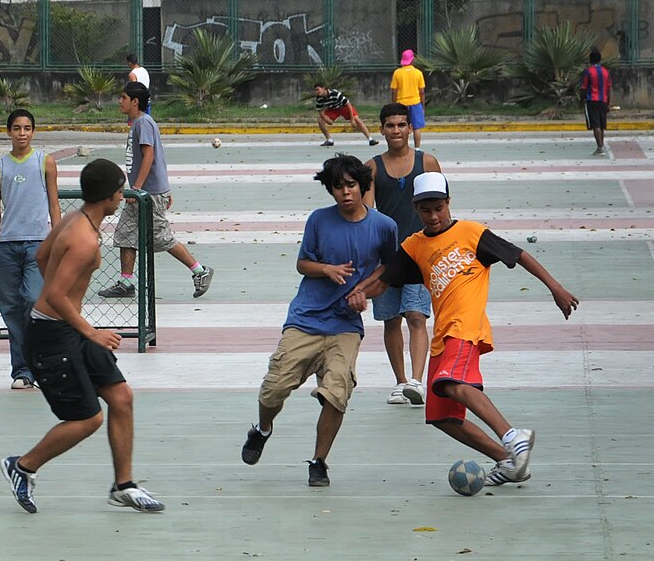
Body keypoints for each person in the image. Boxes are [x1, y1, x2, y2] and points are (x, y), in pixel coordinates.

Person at [350, 172, 579, 486]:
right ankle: (507, 460)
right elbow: (384, 278)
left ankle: (514, 436)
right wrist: (359, 290)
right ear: (416, 209)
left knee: (452, 384)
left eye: (439, 207)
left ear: (448, 203)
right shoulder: (415, 246)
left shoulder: (472, 233)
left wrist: (556, 288)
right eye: (425, 210)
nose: (433, 216)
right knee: (442, 417)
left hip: (466, 327)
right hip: (443, 337)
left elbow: (519, 255)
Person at [0, 159, 165, 514]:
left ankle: (123, 486)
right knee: (88, 419)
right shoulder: (84, 238)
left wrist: (68, 304)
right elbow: (57, 296)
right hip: (51, 335)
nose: (122, 197)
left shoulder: (74, 219)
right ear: (108, 196)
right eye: (120, 191)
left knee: (121, 397)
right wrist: (90, 330)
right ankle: (23, 465)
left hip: (65, 327)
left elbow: (43, 256)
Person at [240, 154, 397, 488]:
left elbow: (388, 271)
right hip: (306, 318)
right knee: (274, 388)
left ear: (363, 186)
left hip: (345, 327)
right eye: (338, 187)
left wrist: (364, 293)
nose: (345, 193)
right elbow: (302, 264)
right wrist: (326, 269)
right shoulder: (319, 220)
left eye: (351, 185)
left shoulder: (384, 226)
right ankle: (263, 429)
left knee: (337, 391)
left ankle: (319, 462)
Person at [98, 82, 214, 300]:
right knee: (125, 234)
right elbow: (157, 158)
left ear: (135, 101)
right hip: (143, 193)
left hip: (147, 194)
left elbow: (150, 156)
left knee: (161, 237)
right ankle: (126, 282)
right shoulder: (138, 124)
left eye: (123, 97)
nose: (119, 102)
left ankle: (200, 271)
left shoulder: (144, 123)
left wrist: (138, 189)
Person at [363, 102, 442, 406]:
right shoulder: (372, 167)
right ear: (381, 129)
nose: (396, 131)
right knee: (391, 319)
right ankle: (399, 382)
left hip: (421, 254)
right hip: (387, 257)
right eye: (390, 125)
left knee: (416, 316)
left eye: (401, 125)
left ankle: (417, 381)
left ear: (411, 128)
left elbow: (441, 208)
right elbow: (369, 212)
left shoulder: (428, 162)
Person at [0, 108, 61, 390]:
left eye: (27, 128)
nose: (22, 133)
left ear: (33, 131)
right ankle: (22, 371)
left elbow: (54, 204)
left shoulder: (45, 162)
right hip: (7, 246)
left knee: (33, 299)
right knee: (12, 309)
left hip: (38, 245)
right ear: (8, 132)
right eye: (16, 128)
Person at [313, 83, 379, 147]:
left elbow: (348, 104)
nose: (316, 92)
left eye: (317, 89)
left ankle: (370, 139)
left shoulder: (335, 94)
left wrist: (352, 119)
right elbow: (320, 110)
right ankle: (330, 140)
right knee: (320, 119)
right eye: (315, 90)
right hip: (333, 109)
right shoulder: (319, 98)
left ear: (324, 88)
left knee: (357, 119)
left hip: (344, 107)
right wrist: (325, 119)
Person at [390, 50, 426, 149]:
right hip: (415, 102)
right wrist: (423, 105)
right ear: (412, 60)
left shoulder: (397, 73)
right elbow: (422, 91)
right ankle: (417, 148)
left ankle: (403, 147)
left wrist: (394, 104)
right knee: (416, 127)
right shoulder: (418, 73)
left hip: (401, 104)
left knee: (402, 127)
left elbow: (394, 91)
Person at [580, 49, 611, 156]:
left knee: (595, 124)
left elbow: (583, 87)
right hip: (603, 100)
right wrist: (608, 103)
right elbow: (608, 89)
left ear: (590, 60)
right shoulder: (606, 71)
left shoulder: (587, 71)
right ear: (600, 59)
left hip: (592, 100)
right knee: (602, 125)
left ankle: (599, 147)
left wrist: (582, 99)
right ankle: (601, 146)